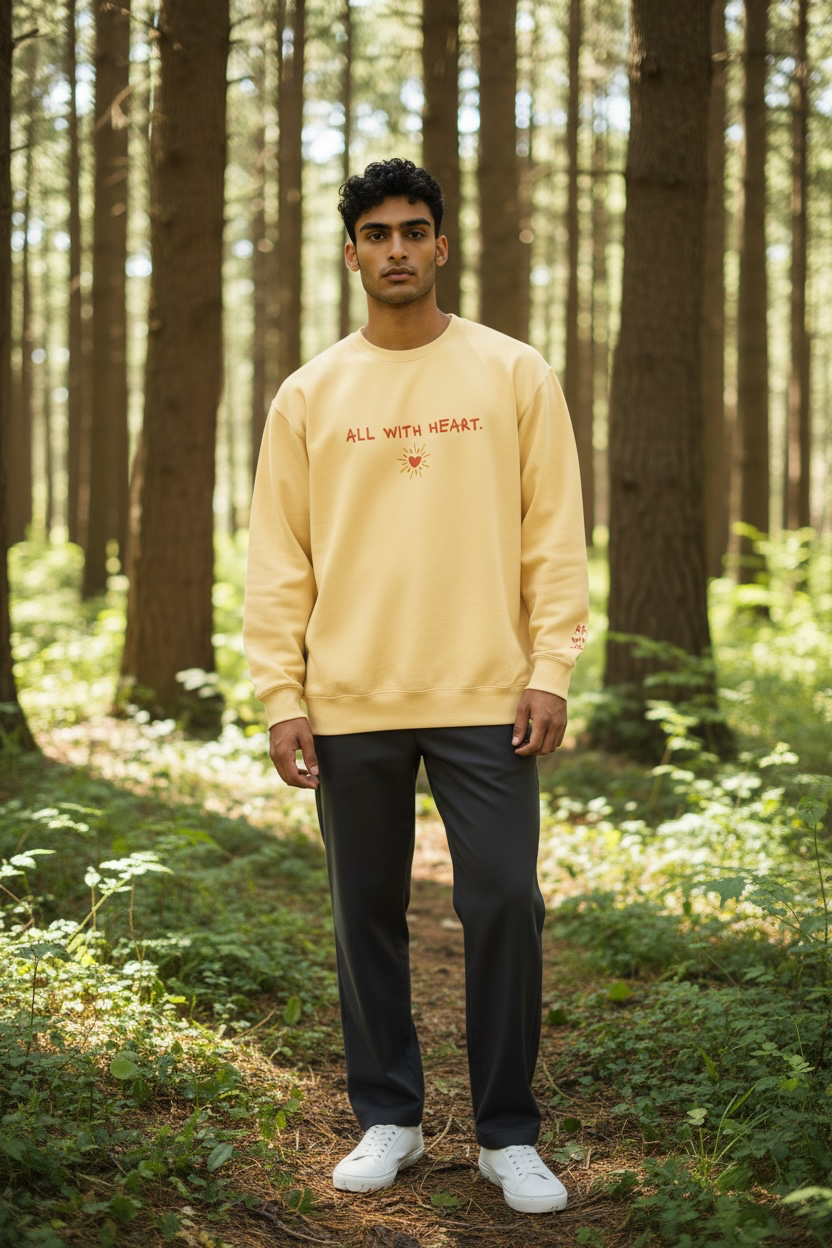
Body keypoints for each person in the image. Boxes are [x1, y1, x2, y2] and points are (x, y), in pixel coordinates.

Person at [243, 157, 589, 1215]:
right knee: (367, 914)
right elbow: (278, 559)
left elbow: (553, 533)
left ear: (442, 244)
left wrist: (551, 666)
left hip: (490, 692)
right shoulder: (310, 393)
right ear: (351, 252)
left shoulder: (512, 372)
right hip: (350, 698)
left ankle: (504, 1133)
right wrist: (280, 693)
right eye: (376, 233)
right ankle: (387, 1116)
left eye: (413, 230)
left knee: (501, 901)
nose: (396, 248)